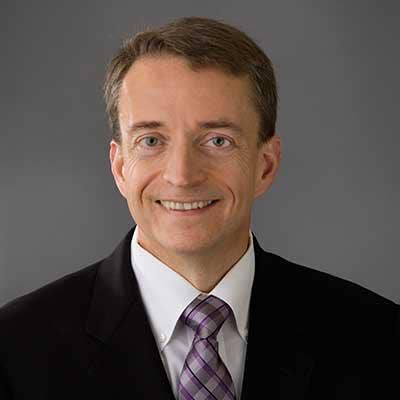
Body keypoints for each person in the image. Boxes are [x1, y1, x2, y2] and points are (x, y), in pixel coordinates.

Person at [0, 16, 397, 400]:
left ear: (265, 165)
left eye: (218, 140)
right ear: (120, 168)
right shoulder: (15, 351)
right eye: (151, 141)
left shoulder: (379, 340)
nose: (182, 175)